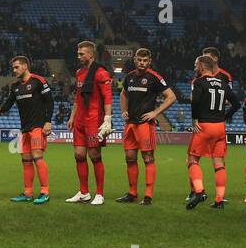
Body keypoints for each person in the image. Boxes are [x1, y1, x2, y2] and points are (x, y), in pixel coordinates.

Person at [116, 47, 176, 205]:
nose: (142, 63)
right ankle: (132, 193)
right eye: (139, 60)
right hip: (130, 124)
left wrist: (155, 113)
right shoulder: (129, 77)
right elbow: (123, 93)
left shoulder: (154, 77)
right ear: (135, 60)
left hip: (144, 125)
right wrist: (123, 111)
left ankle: (148, 195)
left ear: (149, 62)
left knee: (147, 157)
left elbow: (171, 97)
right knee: (130, 157)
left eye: (145, 60)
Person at [0, 55, 54, 205]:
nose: (14, 70)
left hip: (38, 126)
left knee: (37, 156)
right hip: (24, 128)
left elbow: (50, 102)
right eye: (13, 68)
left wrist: (48, 122)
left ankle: (44, 192)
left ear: (25, 66)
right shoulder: (15, 86)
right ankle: (28, 193)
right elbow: (9, 103)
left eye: (16, 67)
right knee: (25, 160)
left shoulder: (38, 81)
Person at [186, 54, 240, 210]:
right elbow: (236, 104)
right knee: (219, 163)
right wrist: (225, 116)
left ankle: (200, 191)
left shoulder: (199, 82)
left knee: (192, 160)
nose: (195, 67)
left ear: (202, 66)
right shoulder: (223, 83)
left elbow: (195, 101)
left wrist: (195, 119)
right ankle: (219, 200)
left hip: (204, 126)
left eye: (196, 64)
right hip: (220, 127)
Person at [67, 40, 113, 205]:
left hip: (94, 120)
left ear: (91, 54)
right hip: (80, 119)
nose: (78, 56)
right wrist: (72, 117)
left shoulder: (100, 72)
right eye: (78, 53)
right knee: (79, 155)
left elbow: (108, 96)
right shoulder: (79, 72)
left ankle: (99, 194)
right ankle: (84, 192)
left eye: (82, 54)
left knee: (94, 155)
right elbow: (77, 98)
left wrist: (107, 118)